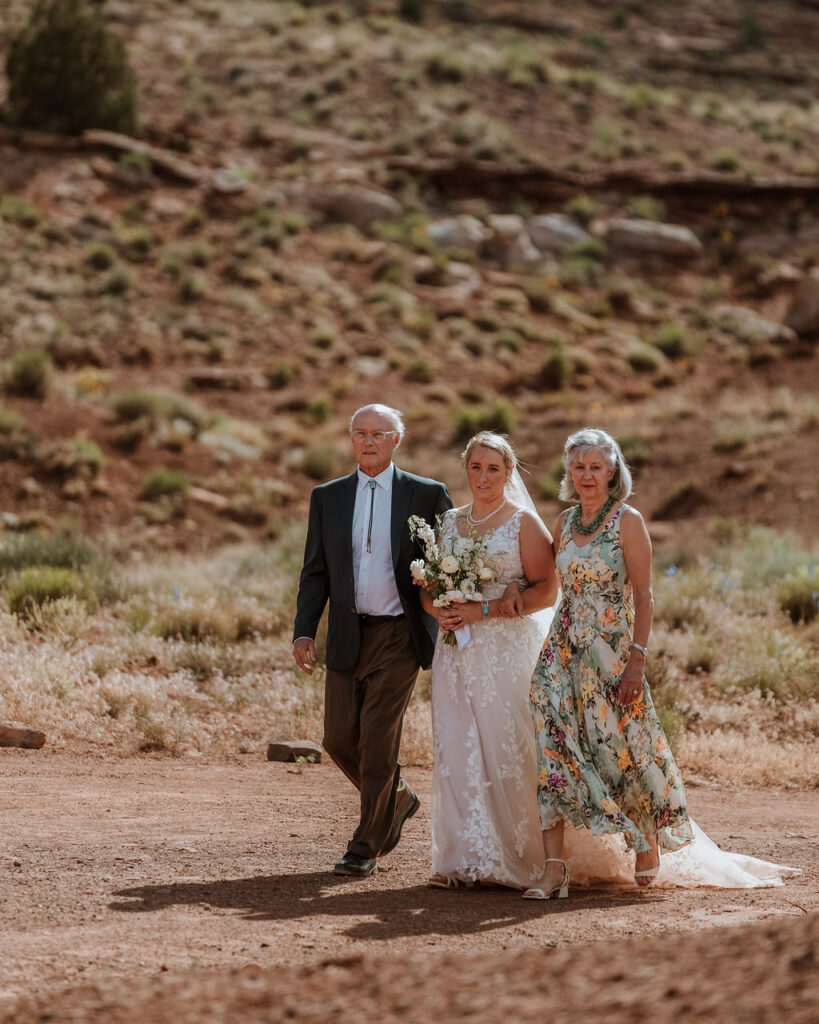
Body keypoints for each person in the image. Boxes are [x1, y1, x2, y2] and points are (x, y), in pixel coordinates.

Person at [525, 427, 799, 898]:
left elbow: (645, 596)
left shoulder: (628, 521)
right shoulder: (564, 524)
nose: (586, 475)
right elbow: (548, 585)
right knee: (552, 741)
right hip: (562, 651)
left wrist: (637, 659)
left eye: (595, 467)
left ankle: (645, 838)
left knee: (624, 747)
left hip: (612, 655)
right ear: (568, 473)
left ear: (613, 472)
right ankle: (554, 868)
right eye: (578, 466)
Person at [293, 404, 452, 878]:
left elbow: (446, 565)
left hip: (399, 633)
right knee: (338, 738)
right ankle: (398, 800)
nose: (367, 441)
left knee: (379, 742)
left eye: (378, 433)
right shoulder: (328, 496)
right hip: (346, 631)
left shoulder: (427, 494)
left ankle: (365, 846)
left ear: (396, 440)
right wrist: (304, 628)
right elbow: (315, 569)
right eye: (359, 433)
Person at [420, 432, 558, 890]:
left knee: (507, 746)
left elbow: (546, 590)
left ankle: (519, 855)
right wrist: (435, 608)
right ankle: (463, 859)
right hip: (455, 652)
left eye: (493, 468)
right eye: (476, 467)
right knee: (456, 744)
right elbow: (429, 586)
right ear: (466, 470)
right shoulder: (450, 523)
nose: (483, 477)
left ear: (509, 472)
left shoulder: (523, 524)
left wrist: (486, 609)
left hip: (504, 652)